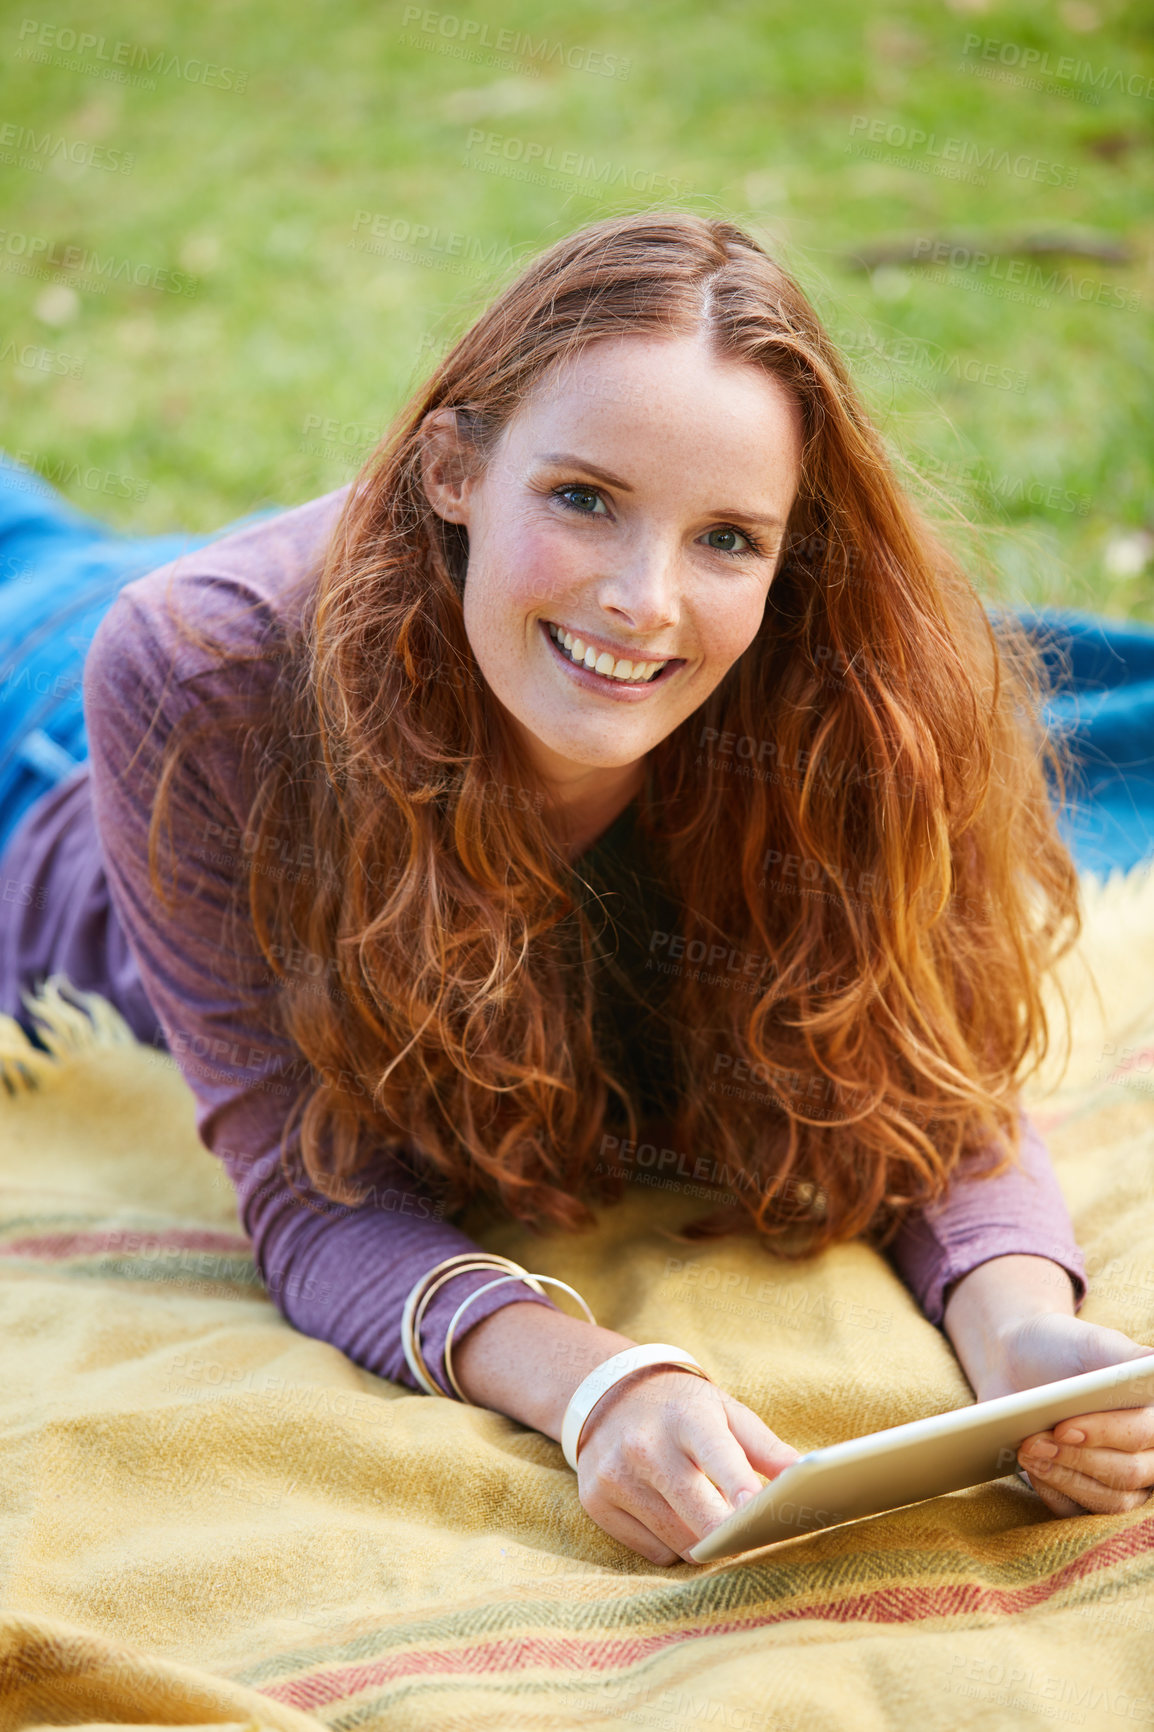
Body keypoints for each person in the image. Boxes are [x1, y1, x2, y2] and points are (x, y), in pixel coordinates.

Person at [2, 210, 1153, 1569]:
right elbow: (315, 1192)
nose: (642, 602)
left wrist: (1020, 1328)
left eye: (725, 539)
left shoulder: (848, 698)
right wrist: (597, 1384)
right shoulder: (197, 674)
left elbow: (922, 1075)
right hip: (56, 706)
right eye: (583, 498)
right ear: (452, 468)